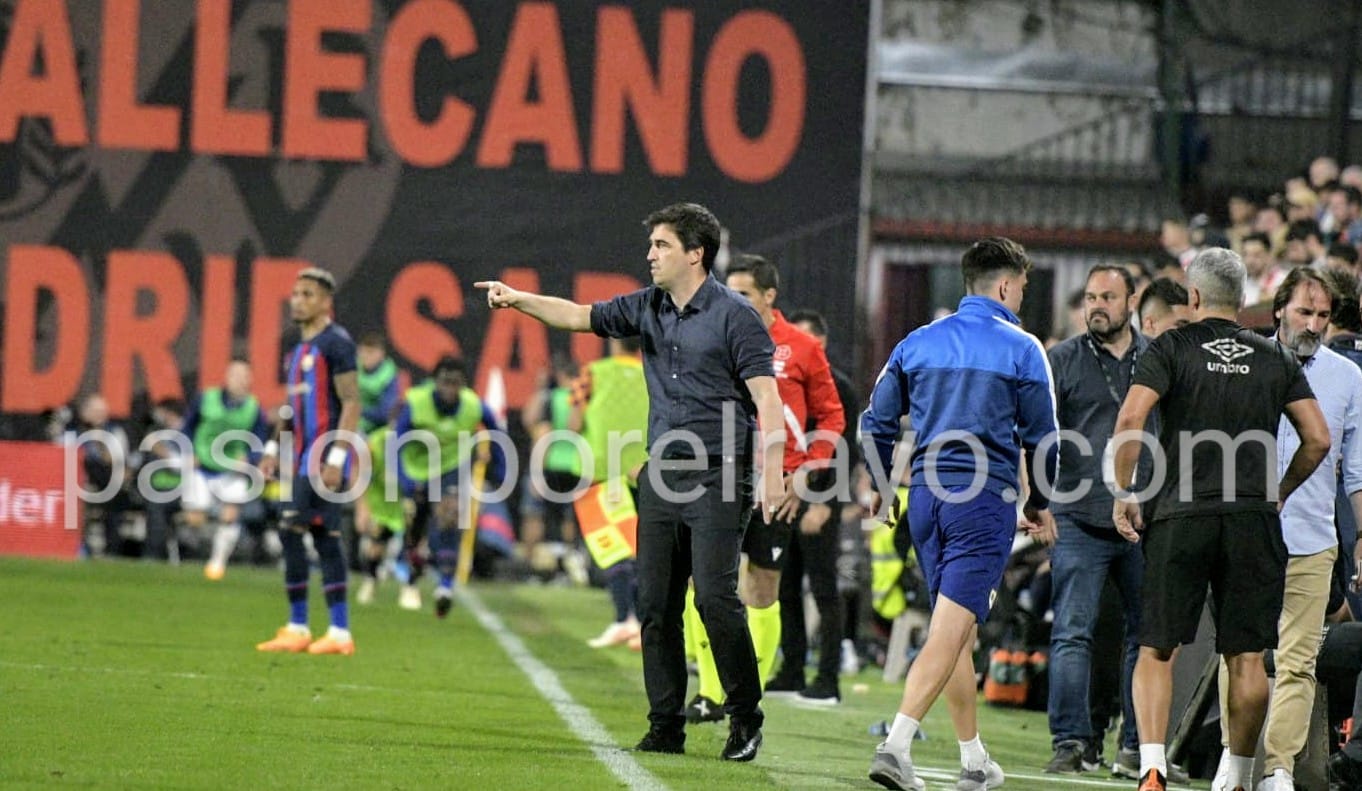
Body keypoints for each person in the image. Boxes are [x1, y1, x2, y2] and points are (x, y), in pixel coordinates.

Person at [476, 202, 786, 762]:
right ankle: (665, 724)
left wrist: (772, 474)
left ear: (696, 253)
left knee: (715, 598)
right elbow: (576, 315)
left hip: (721, 472)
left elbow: (767, 399)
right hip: (664, 473)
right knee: (655, 602)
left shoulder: (737, 316)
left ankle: (745, 718)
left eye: (662, 245)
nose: (650, 255)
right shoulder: (646, 307)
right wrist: (518, 300)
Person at [1110, 248, 1332, 791]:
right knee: (1249, 656)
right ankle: (1235, 774)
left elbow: (1133, 415)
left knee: (1158, 648)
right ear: (1242, 298)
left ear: (1192, 297)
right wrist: (1280, 489)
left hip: (1181, 515)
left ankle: (1153, 768)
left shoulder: (1171, 346)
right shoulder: (1275, 356)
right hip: (1252, 519)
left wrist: (1124, 491)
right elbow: (1318, 438)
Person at [861, 237, 1059, 791]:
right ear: (1003, 286)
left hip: (924, 501)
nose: (1022, 296)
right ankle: (897, 745)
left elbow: (873, 422)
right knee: (950, 632)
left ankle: (974, 761)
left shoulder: (918, 341)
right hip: (984, 500)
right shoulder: (1022, 348)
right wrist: (1038, 504)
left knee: (958, 630)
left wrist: (880, 485)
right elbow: (1044, 440)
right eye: (1020, 286)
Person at [1208, 268, 1362, 791]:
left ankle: (1278, 769)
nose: (1314, 324)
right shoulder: (1240, 359)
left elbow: (1357, 470)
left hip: (1314, 539)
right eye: (1304, 312)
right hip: (1246, 532)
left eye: (1322, 315)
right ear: (1278, 309)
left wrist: (1361, 538)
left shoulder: (1348, 378)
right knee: (1241, 653)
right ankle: (1238, 761)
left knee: (1299, 663)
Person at [683, 254, 845, 719]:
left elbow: (832, 415)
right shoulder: (714, 338)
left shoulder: (802, 348)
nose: (733, 301)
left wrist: (809, 472)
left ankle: (744, 695)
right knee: (706, 581)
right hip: (720, 479)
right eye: (728, 292)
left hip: (775, 486)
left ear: (769, 296)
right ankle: (710, 692)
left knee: (761, 588)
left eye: (744, 294)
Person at [1043, 266, 1151, 777]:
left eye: (1108, 296)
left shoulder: (1159, 358)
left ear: (1132, 300)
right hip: (1077, 516)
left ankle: (1135, 746)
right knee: (1071, 633)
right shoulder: (1060, 359)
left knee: (1146, 636)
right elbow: (1037, 436)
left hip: (1145, 518)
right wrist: (1036, 501)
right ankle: (1070, 742)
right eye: (1090, 297)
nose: (1097, 306)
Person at [256, 267, 361, 657]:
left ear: (325, 302)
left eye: (308, 294)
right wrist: (271, 449)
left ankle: (301, 626)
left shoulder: (337, 344)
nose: (297, 300)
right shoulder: (297, 350)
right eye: (296, 293)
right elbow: (293, 407)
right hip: (301, 459)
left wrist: (336, 457)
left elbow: (351, 402)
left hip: (321, 459)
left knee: (290, 529)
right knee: (324, 539)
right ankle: (338, 633)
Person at [392, 356, 506, 617]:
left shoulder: (473, 405)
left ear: (463, 385)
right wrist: (405, 481)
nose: (449, 389)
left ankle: (444, 586)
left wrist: (500, 469)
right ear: (435, 382)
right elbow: (395, 444)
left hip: (451, 470)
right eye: (445, 383)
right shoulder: (415, 402)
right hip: (417, 471)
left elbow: (497, 432)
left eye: (455, 384)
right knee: (415, 533)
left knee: (449, 518)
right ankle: (413, 572)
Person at [786, 307, 864, 679]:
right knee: (785, 586)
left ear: (822, 342)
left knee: (822, 587)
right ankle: (792, 668)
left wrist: (823, 503)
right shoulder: (786, 383)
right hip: (788, 496)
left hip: (819, 498)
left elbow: (845, 451)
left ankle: (828, 676)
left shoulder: (839, 387)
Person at [569, 336, 649, 649]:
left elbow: (574, 424)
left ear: (614, 341)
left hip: (601, 470)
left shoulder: (593, 372)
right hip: (644, 471)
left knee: (611, 547)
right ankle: (643, 622)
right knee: (642, 550)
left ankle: (622, 619)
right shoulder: (654, 373)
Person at [179, 360, 271, 581]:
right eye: (235, 375)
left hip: (231, 468)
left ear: (250, 380)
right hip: (202, 465)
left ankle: (217, 562)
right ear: (227, 377)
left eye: (244, 376)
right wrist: (189, 451)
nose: (239, 381)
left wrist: (250, 457)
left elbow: (259, 439)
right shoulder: (206, 398)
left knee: (230, 515)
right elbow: (187, 427)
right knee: (195, 519)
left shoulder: (254, 408)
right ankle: (205, 542)